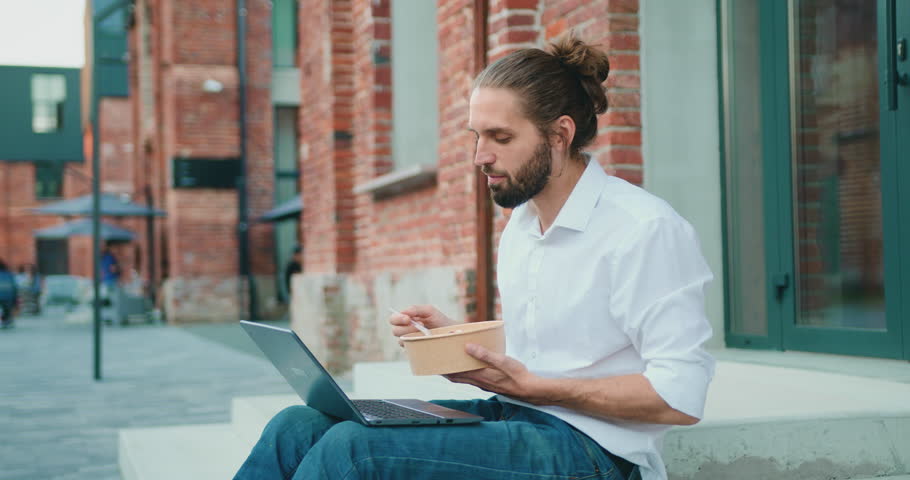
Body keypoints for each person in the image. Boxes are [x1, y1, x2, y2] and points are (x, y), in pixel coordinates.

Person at [233, 34, 714, 480]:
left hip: (594, 451)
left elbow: (681, 396)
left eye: (500, 138)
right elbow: (560, 348)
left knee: (355, 450)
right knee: (298, 424)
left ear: (559, 135)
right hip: (520, 417)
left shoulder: (643, 229)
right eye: (476, 136)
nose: (480, 156)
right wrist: (455, 341)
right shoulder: (522, 226)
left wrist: (539, 390)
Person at [0, 259, 18, 329]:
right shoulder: (9, 274)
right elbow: (14, 286)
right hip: (8, 296)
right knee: (7, 310)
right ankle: (7, 320)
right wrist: (15, 298)